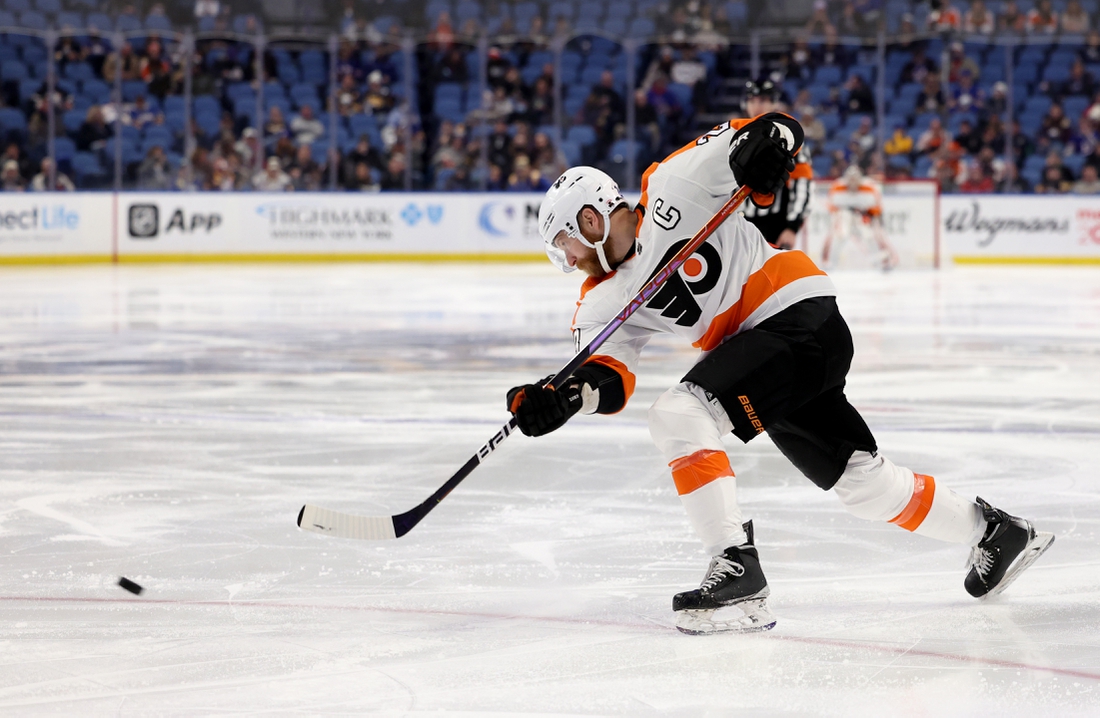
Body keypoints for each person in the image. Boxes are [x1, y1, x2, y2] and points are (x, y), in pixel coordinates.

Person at [507, 114, 1054, 635]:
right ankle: (997, 532)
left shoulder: (672, 184)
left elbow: (774, 130)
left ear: (591, 216)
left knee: (678, 414)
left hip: (794, 313)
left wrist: (763, 153)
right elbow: (606, 379)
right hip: (771, 356)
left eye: (565, 242)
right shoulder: (601, 300)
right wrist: (560, 400)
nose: (568, 258)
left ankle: (736, 565)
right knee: (863, 484)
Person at [738, 81, 812, 250]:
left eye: (763, 100)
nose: (757, 106)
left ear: (773, 103)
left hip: (773, 226)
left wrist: (792, 227)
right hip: (737, 223)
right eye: (752, 100)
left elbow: (802, 186)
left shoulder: (790, 141)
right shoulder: (735, 137)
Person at [823, 165, 898, 270]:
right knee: (840, 235)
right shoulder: (837, 186)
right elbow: (831, 207)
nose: (852, 183)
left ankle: (879, 263)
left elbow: (877, 208)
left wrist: (867, 213)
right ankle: (830, 263)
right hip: (845, 215)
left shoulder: (870, 187)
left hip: (863, 216)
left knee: (869, 236)